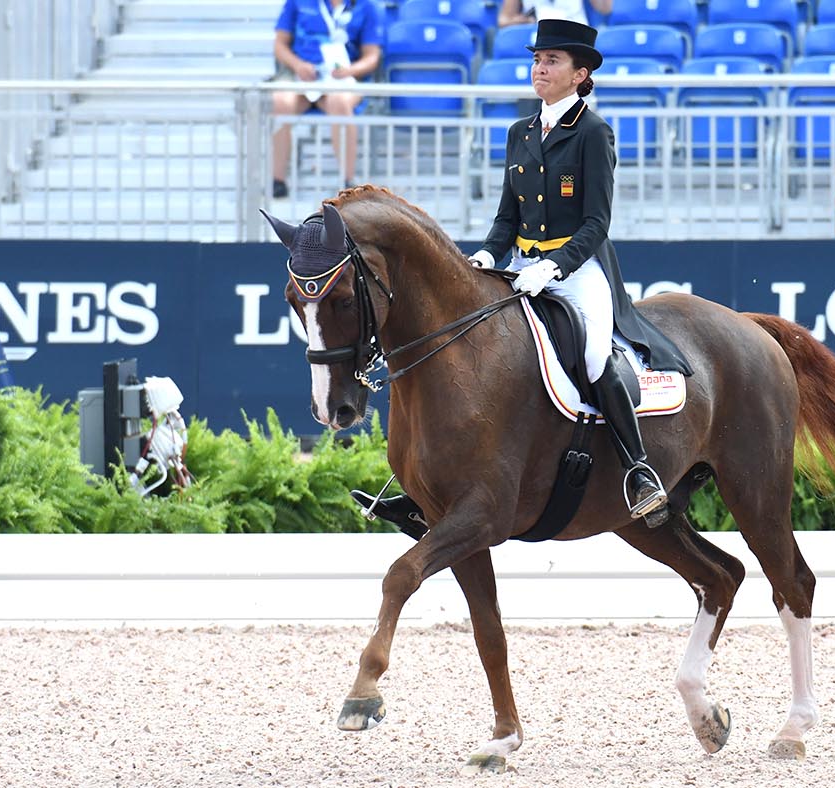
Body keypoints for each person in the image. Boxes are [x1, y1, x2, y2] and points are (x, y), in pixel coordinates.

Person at [368, 19, 692, 530]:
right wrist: (486, 257)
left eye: (553, 61)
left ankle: (638, 470)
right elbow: (506, 218)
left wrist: (554, 265)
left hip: (579, 269)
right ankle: (427, 487)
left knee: (592, 355)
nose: (540, 67)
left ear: (580, 73)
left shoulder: (592, 132)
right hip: (521, 266)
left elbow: (596, 223)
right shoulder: (520, 132)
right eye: (537, 59)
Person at [270, 0, 384, 198]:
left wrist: (349, 70)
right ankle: (278, 180)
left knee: (339, 103)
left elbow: (372, 56)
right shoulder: (297, 2)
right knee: (281, 102)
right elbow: (280, 44)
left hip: (343, 78)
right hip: (303, 75)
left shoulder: (366, 6)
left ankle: (348, 182)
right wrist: (298, 65)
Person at [497, 0, 611, 28]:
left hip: (576, 31)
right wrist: (524, 21)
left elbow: (605, 9)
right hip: (538, 35)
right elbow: (503, 20)